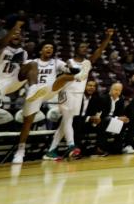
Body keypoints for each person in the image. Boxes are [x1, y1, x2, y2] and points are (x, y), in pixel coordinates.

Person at [45, 28, 114, 160]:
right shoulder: (69, 62)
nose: (84, 49)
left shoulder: (87, 63)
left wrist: (107, 38)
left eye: (86, 47)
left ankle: (50, 151)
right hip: (66, 92)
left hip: (78, 95)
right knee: (67, 119)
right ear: (76, 49)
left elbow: (99, 52)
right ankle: (71, 145)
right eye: (82, 47)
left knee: (65, 123)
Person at [15, 42, 77, 163]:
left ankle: (80, 76)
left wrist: (70, 67)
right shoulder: (31, 62)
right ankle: (20, 151)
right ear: (40, 50)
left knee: (64, 77)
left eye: (52, 47)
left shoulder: (56, 62)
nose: (50, 49)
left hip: (49, 91)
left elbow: (67, 69)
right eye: (47, 47)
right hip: (34, 95)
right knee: (27, 123)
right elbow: (20, 75)